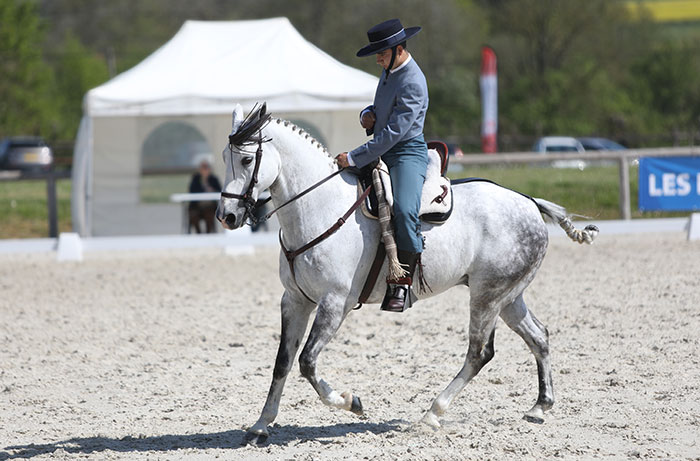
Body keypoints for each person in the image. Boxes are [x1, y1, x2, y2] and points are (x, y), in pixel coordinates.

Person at [336, 18, 429, 313]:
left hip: (406, 153)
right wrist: (368, 114)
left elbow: (394, 134)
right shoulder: (390, 72)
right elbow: (380, 111)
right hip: (385, 148)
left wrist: (353, 157)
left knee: (403, 210)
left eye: (381, 54)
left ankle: (402, 282)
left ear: (398, 50)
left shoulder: (413, 80)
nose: (377, 59)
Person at [188, 159, 222, 233]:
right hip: (197, 206)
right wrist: (204, 189)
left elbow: (220, 191)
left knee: (209, 215)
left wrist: (212, 190)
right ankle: (199, 234)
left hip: (209, 206)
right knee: (193, 215)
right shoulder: (196, 179)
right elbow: (191, 191)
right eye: (203, 168)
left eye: (206, 168)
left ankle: (208, 234)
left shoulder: (213, 179)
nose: (204, 170)